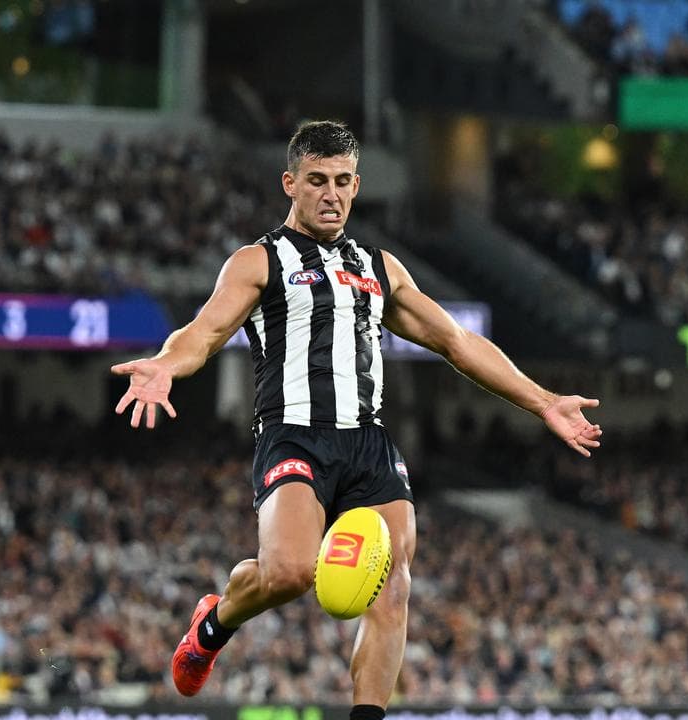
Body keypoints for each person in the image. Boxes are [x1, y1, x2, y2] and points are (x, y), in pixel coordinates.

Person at [112, 120, 602, 717]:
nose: (331, 194)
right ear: (289, 183)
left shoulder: (379, 267)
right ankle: (212, 627)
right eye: (316, 181)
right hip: (293, 435)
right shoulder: (258, 261)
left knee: (392, 585)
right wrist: (167, 364)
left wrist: (544, 400)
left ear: (357, 185)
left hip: (367, 445)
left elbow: (454, 339)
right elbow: (206, 329)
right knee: (289, 573)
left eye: (343, 181)